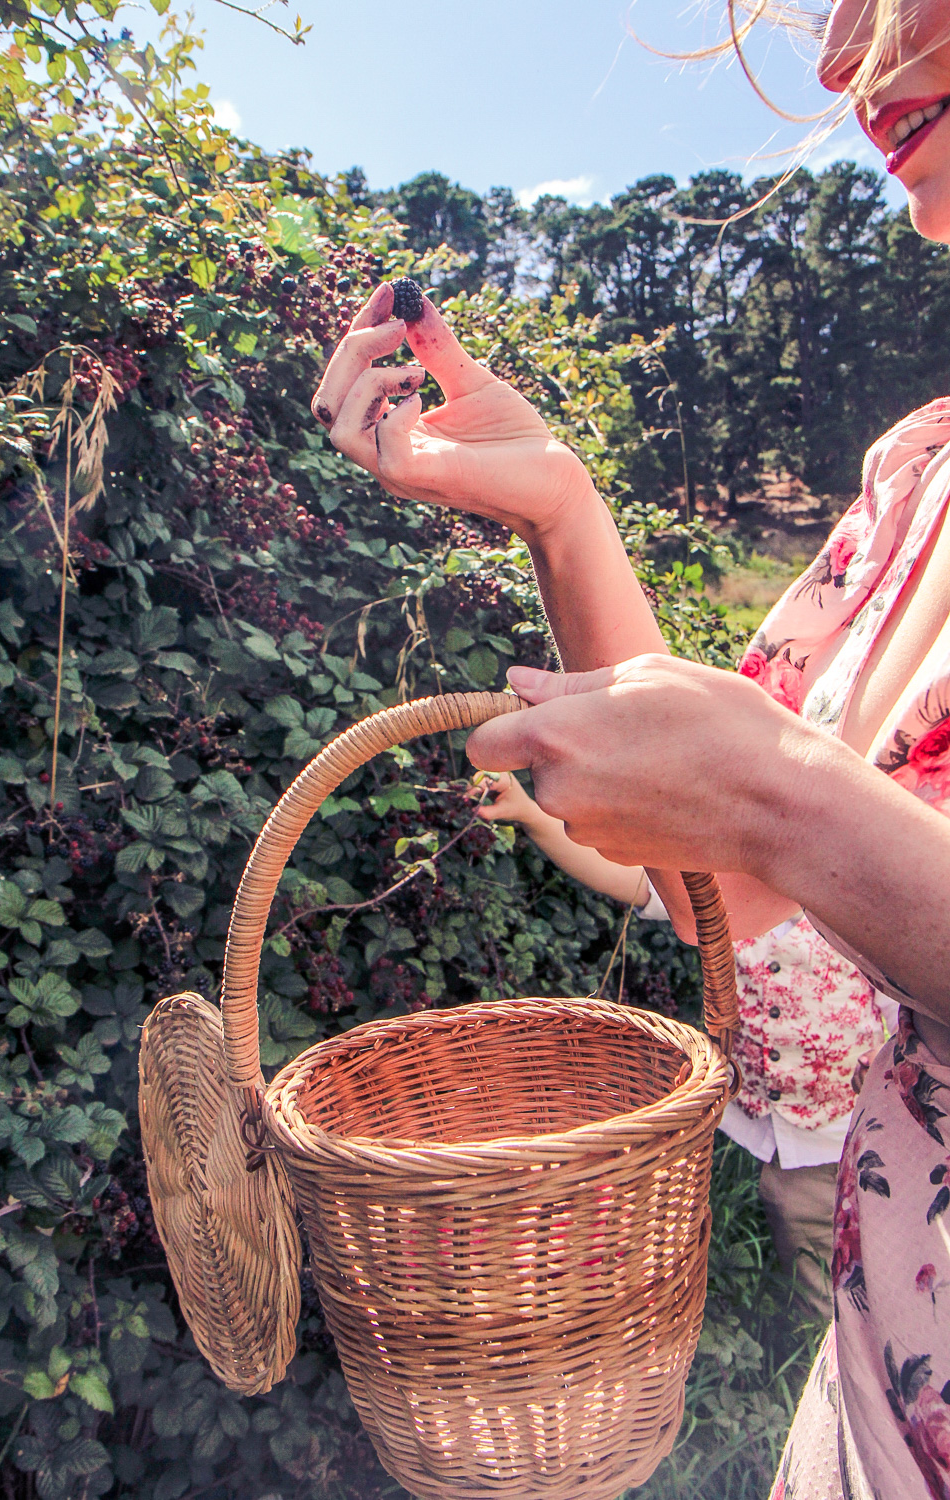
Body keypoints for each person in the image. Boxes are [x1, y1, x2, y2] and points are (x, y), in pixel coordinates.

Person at [311, 2, 950, 1493]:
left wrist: (790, 803)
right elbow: (728, 893)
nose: (841, 54)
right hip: (877, 1394)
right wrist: (565, 512)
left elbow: (780, 829)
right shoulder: (918, 476)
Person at [473, 769, 895, 1320]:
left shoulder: (857, 903)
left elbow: (908, 1000)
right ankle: (820, 1335)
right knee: (801, 1232)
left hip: (849, 1119)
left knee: (859, 1233)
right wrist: (532, 813)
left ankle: (861, 1338)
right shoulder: (734, 893)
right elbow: (635, 882)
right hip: (775, 1114)